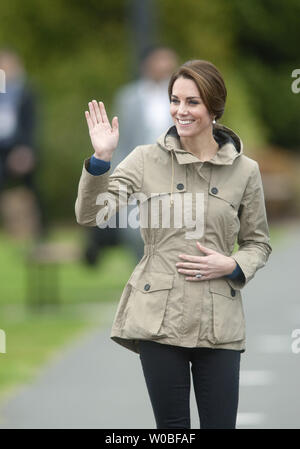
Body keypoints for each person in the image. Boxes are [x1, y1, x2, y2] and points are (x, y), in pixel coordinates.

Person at [75, 59, 272, 429]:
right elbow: (92, 216)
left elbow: (258, 243)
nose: (180, 111)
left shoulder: (246, 171)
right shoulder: (144, 159)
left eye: (192, 102)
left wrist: (231, 265)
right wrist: (101, 160)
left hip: (220, 322)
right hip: (158, 317)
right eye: (175, 100)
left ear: (214, 108)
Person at [84, 46, 178, 266]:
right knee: (134, 230)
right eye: (161, 62)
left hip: (173, 169)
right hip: (139, 170)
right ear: (147, 65)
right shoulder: (129, 98)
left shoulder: (180, 98)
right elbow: (122, 139)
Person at [0, 48, 48, 237]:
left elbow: (31, 125)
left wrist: (25, 150)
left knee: (33, 189)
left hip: (19, 148)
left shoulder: (26, 93)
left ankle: (41, 231)